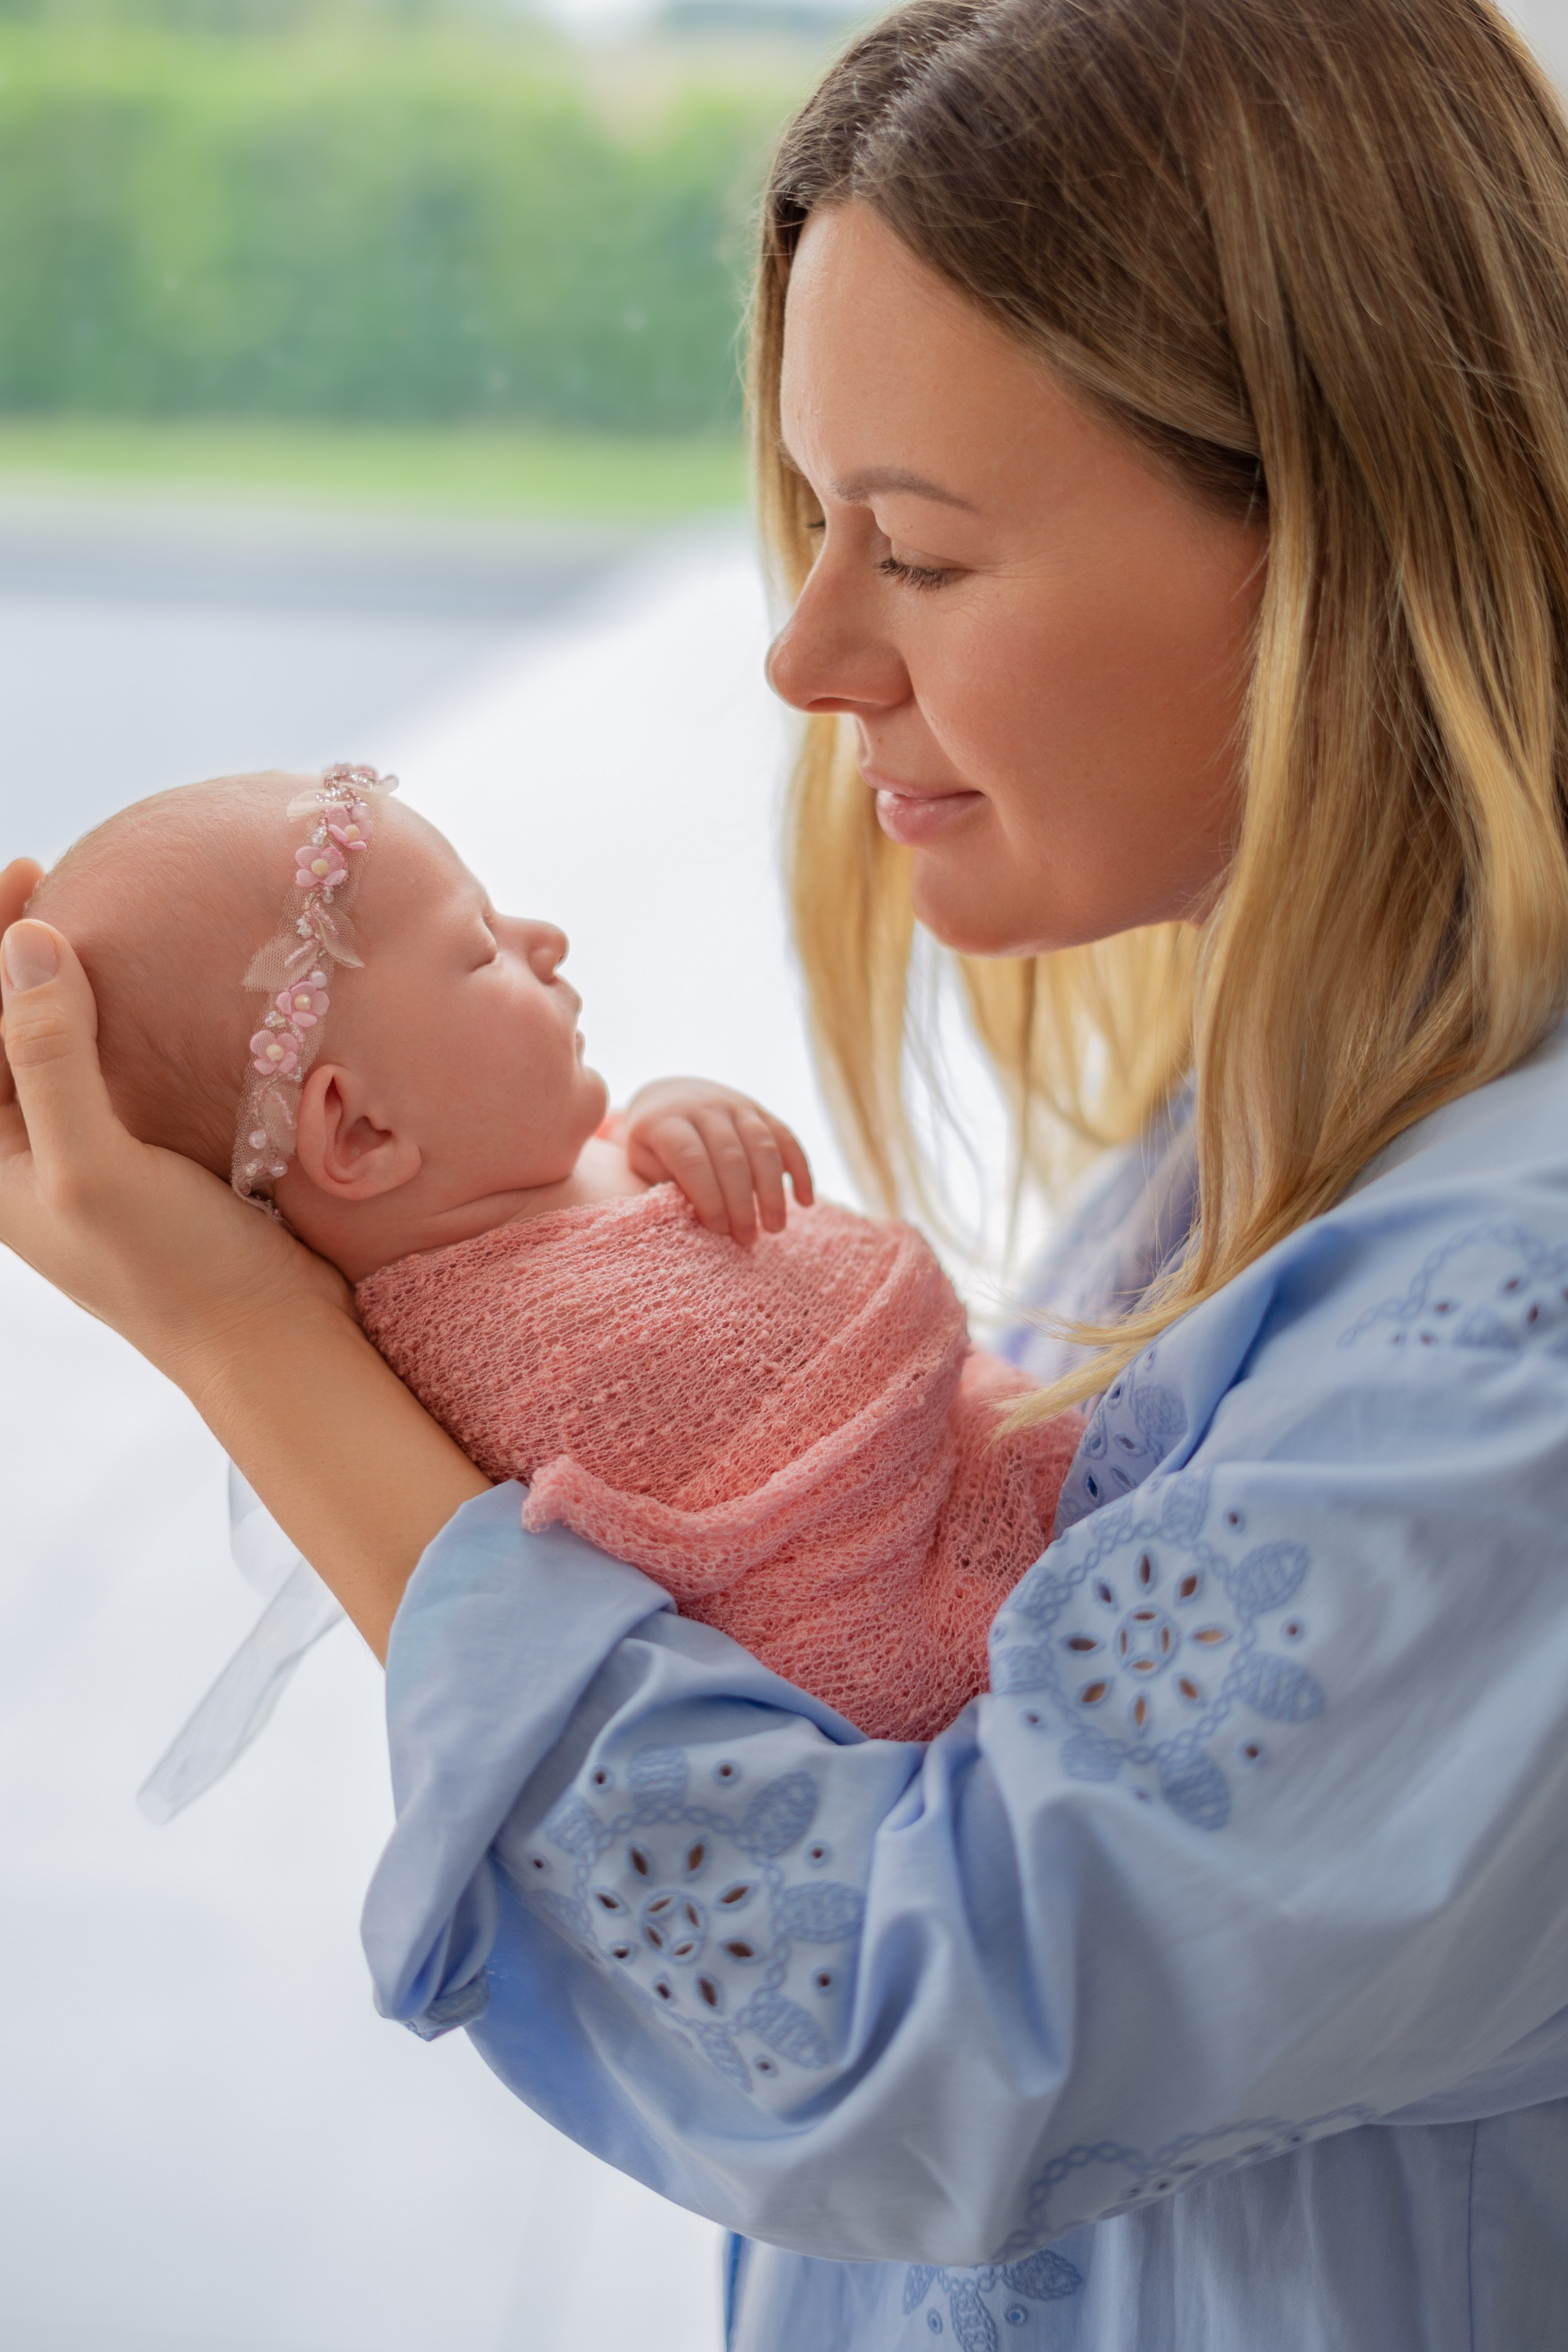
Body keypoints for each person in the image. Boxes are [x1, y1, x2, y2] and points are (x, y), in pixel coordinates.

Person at [5, 0, 1568, 2340]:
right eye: (814, 524)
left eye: (917, 553)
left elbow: (896, 2035)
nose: (805, 650)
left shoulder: (1510, 1316)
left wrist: (255, 1337)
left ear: (1339, 536)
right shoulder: (1294, 1128)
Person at [24, 766, 1079, 1742]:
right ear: (360, 1135)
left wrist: (676, 1117)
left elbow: (723, 1245)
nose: (547, 938)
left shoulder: (540, 1171)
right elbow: (772, 1474)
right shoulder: (509, 1352)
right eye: (479, 948)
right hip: (936, 1624)